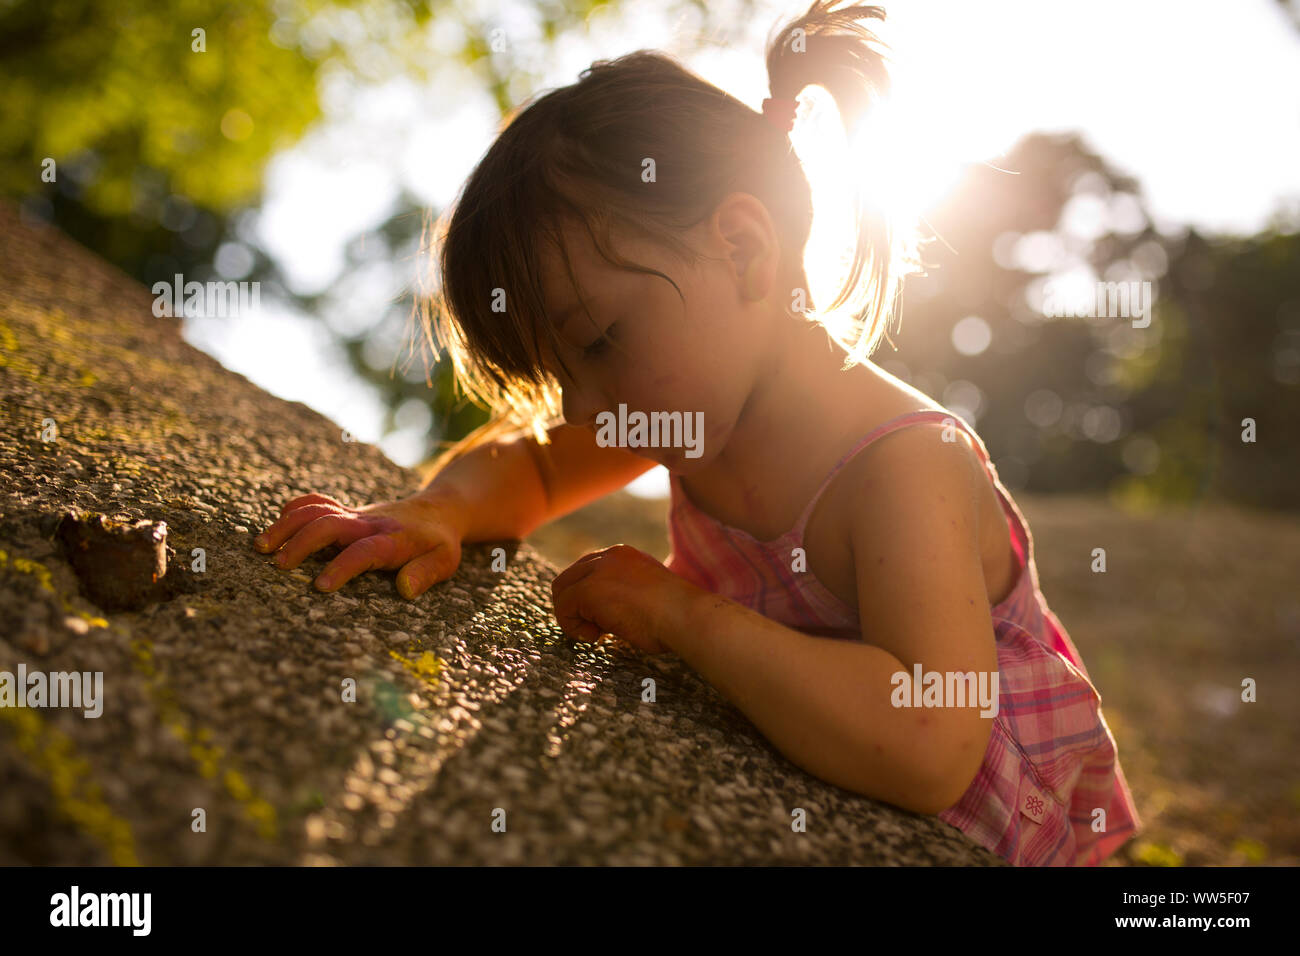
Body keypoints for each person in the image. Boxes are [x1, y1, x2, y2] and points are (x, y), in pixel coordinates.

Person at [253, 1, 1140, 865]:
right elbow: (531, 467)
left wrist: (682, 615)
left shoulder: (905, 464)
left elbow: (927, 742)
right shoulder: (682, 408)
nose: (585, 409)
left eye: (599, 342)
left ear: (744, 250)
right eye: (561, 377)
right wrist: (439, 511)